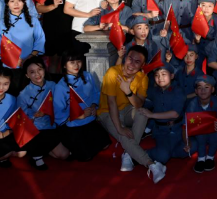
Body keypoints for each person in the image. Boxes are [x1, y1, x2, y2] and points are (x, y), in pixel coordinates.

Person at [97, 45, 166, 182]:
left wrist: (128, 91)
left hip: (127, 110)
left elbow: (139, 104)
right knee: (124, 136)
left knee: (143, 113)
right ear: (125, 58)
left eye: (137, 62)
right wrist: (119, 128)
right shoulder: (112, 72)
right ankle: (152, 165)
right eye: (130, 59)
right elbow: (111, 104)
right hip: (107, 112)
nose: (132, 64)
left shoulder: (142, 78)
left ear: (143, 65)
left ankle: (128, 155)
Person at [54, 52, 110, 162]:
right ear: (64, 65)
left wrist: (94, 106)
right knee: (86, 157)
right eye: (72, 62)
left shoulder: (87, 75)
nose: (76, 65)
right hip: (73, 125)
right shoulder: (60, 86)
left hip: (90, 120)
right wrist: (79, 116)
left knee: (106, 145)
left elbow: (96, 93)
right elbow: (58, 113)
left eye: (78, 61)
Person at [0, 0, 46, 95]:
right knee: (14, 95)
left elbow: (40, 39)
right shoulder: (1, 23)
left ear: (24, 2)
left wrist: (30, 56)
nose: (16, 4)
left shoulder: (33, 20)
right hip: (10, 67)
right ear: (7, 3)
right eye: (12, 1)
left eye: (19, 0)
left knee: (33, 96)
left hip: (31, 66)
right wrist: (13, 59)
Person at [17, 57, 70, 170]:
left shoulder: (53, 85)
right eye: (32, 72)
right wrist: (33, 116)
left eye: (39, 69)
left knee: (64, 155)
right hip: (35, 129)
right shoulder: (23, 94)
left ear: (44, 70)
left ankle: (42, 150)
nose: (37, 74)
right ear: (27, 75)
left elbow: (61, 104)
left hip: (52, 125)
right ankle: (36, 155)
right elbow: (21, 118)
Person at [140, 63, 189, 167]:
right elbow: (141, 97)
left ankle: (166, 152)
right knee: (163, 156)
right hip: (161, 131)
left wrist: (152, 115)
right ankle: (140, 154)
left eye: (163, 74)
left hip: (178, 130)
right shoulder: (154, 91)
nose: (160, 78)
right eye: (156, 75)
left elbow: (175, 113)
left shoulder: (178, 91)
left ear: (172, 76)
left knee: (187, 150)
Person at [35, 0, 73, 74]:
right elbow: (38, 8)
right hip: (53, 28)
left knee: (71, 61)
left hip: (71, 26)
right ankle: (53, 84)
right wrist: (53, 6)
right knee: (54, 61)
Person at [185, 74, 217, 173]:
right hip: (199, 132)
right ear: (196, 91)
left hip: (213, 131)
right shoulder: (192, 104)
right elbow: (186, 124)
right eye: (199, 87)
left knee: (216, 135)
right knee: (200, 136)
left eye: (206, 87)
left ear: (213, 89)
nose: (203, 90)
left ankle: (210, 157)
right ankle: (201, 158)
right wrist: (187, 141)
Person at [193, 0, 217, 70]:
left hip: (212, 50)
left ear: (214, 7)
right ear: (199, 6)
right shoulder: (196, 19)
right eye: (203, 5)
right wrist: (197, 40)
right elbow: (194, 38)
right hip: (199, 49)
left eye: (210, 6)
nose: (206, 8)